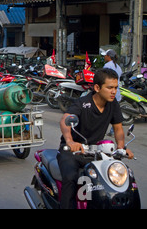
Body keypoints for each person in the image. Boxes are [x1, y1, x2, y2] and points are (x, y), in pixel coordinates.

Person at [57, 68, 134, 209]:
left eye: (116, 88)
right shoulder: (82, 103)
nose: (114, 92)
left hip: (97, 152)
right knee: (70, 178)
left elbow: (118, 128)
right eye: (110, 87)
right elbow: (65, 120)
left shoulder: (113, 105)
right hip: (73, 151)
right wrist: (70, 141)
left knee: (115, 179)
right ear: (97, 87)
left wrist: (121, 148)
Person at [101, 49, 123, 137]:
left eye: (105, 55)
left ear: (108, 56)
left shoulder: (107, 65)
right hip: (116, 92)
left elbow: (103, 78)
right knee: (114, 111)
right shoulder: (117, 66)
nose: (104, 57)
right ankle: (113, 131)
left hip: (108, 92)